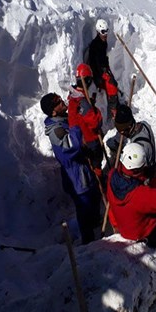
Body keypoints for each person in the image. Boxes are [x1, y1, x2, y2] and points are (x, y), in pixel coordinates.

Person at [106, 143, 156, 268]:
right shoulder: (139, 195)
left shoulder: (112, 176)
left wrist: (148, 172)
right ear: (137, 169)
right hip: (142, 230)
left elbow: (131, 174)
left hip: (123, 224)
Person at [41, 93, 101, 244]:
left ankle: (96, 226)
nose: (62, 101)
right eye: (58, 102)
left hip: (82, 168)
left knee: (94, 198)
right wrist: (74, 123)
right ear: (53, 111)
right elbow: (71, 145)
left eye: (60, 98)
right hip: (75, 174)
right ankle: (88, 240)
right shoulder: (56, 130)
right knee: (84, 206)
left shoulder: (63, 119)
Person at [67, 63, 104, 178]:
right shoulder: (83, 102)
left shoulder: (73, 97)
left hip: (80, 138)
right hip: (89, 138)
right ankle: (98, 179)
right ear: (87, 81)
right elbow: (95, 123)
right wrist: (95, 111)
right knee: (96, 159)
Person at [114, 104, 156, 187]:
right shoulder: (144, 124)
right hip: (153, 170)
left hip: (148, 180)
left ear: (129, 126)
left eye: (122, 132)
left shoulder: (139, 147)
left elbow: (137, 171)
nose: (122, 135)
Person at [85, 19, 119, 119]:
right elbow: (93, 64)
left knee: (114, 84)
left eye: (107, 31)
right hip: (98, 73)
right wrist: (98, 77)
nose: (105, 34)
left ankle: (116, 105)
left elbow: (103, 59)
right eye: (103, 32)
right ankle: (113, 111)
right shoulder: (94, 45)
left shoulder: (103, 43)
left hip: (104, 70)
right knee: (111, 85)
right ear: (98, 31)